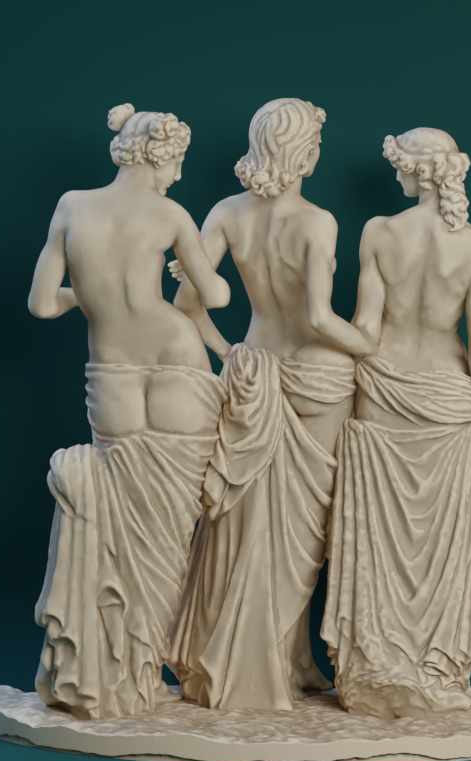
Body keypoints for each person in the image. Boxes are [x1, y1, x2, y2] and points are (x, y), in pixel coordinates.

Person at [165, 98, 377, 711]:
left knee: (244, 526)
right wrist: (369, 344)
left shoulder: (226, 213)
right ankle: (274, 663)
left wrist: (229, 352)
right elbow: (319, 318)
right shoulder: (317, 221)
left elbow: (186, 304)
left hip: (254, 371)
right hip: (318, 377)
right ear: (304, 153)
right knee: (302, 535)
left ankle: (286, 659)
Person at [27, 104, 231, 719]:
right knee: (169, 529)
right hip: (177, 358)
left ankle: (118, 678)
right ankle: (142, 675)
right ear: (159, 156)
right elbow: (216, 294)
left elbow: (42, 304)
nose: (178, 175)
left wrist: (87, 297)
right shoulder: (171, 215)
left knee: (119, 526)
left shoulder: (72, 206)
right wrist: (186, 271)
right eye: (178, 161)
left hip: (110, 369)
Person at [321, 128, 471, 719]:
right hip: (450, 401)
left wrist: (309, 323)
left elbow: (365, 329)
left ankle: (376, 668)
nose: (397, 176)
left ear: (418, 172)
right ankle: (433, 670)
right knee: (442, 550)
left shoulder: (380, 232)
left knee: (376, 542)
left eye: (401, 166)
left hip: (383, 390)